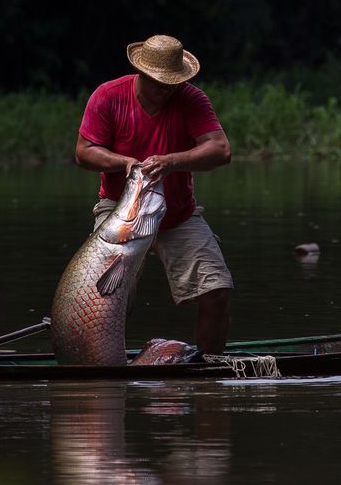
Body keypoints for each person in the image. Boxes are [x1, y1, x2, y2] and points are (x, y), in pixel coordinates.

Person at [74, 34, 233, 354]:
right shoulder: (108, 96)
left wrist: (172, 161)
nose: (167, 89)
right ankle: (99, 364)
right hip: (119, 211)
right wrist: (125, 163)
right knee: (102, 297)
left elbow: (221, 150)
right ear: (142, 74)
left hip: (177, 213)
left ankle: (210, 370)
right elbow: (84, 152)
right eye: (159, 83)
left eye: (173, 83)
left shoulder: (191, 99)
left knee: (216, 291)